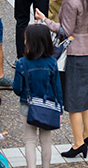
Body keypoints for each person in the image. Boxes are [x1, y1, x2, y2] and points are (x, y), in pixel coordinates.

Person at [34, 0, 88, 158]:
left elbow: (65, 31)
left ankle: (78, 143)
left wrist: (45, 20)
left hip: (76, 53)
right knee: (87, 97)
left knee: (73, 101)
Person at [13, 24, 63, 167]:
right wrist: (59, 107)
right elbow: (57, 88)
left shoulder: (22, 63)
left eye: (25, 39)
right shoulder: (52, 63)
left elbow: (17, 89)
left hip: (27, 106)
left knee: (29, 140)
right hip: (47, 107)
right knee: (46, 140)